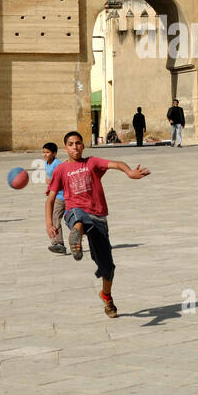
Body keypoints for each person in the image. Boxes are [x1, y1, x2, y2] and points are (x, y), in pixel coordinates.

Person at [45, 131, 151, 318]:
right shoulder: (61, 169)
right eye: (71, 144)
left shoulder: (91, 162)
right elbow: (50, 199)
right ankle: (76, 235)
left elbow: (116, 164)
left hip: (98, 217)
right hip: (74, 212)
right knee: (78, 216)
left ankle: (107, 296)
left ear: (83, 146)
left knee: (107, 267)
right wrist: (49, 224)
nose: (75, 146)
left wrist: (130, 173)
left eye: (78, 143)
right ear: (65, 148)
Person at [41, 142, 68, 254]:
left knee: (56, 217)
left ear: (54, 153)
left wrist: (51, 183)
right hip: (56, 194)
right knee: (57, 217)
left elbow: (62, 179)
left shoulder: (58, 164)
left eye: (47, 152)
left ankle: (58, 243)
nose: (45, 154)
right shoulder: (47, 163)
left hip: (62, 195)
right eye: (43, 152)